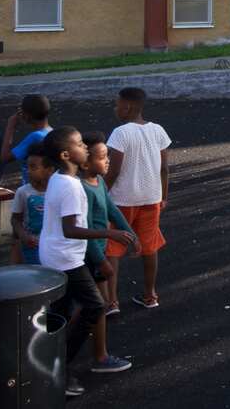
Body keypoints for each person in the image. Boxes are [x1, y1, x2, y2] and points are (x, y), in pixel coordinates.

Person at [39, 127, 136, 397]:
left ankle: (42, 359)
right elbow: (70, 229)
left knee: (62, 310)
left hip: (58, 253)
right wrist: (109, 232)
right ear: (66, 154)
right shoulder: (70, 185)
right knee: (95, 306)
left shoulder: (60, 179)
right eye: (81, 144)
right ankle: (59, 365)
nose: (86, 147)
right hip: (66, 257)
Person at [104, 87, 170, 312]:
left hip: (122, 199)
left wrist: (101, 193)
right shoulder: (158, 130)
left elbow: (113, 170)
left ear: (127, 106)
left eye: (117, 104)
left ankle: (111, 301)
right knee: (150, 246)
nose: (115, 108)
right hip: (151, 197)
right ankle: (150, 295)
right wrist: (164, 195)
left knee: (113, 246)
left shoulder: (120, 133)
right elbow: (164, 168)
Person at [79, 131, 137, 373]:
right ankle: (99, 356)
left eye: (107, 156)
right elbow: (87, 229)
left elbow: (112, 209)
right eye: (103, 157)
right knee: (94, 305)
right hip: (90, 255)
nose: (108, 161)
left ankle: (99, 354)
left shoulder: (98, 182)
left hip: (98, 252)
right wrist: (101, 259)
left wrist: (130, 234)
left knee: (95, 305)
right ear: (84, 162)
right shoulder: (81, 189)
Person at [10, 148, 54, 265]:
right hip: (32, 246)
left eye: (33, 167)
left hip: (54, 247)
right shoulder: (23, 192)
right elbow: (15, 219)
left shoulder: (57, 191)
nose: (28, 171)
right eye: (27, 167)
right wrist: (23, 235)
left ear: (49, 170)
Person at [1, 95, 54, 184]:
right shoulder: (51, 132)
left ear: (26, 116)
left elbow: (4, 157)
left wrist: (11, 126)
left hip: (32, 190)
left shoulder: (35, 137)